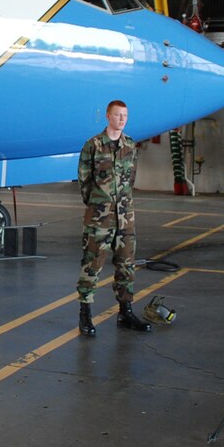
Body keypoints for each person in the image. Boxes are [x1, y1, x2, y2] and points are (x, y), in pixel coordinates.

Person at [76, 99, 151, 336]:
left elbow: (131, 178)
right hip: (100, 217)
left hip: (125, 216)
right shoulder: (94, 145)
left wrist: (122, 204)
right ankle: (85, 314)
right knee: (93, 264)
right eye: (118, 115)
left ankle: (125, 311)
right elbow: (84, 181)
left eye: (125, 116)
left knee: (126, 264)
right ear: (108, 116)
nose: (122, 119)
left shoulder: (130, 144)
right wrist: (99, 203)